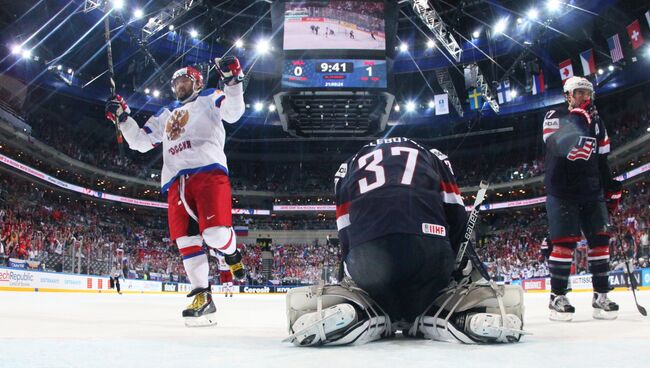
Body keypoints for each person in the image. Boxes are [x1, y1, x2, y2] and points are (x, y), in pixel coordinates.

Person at [285, 137, 524, 346]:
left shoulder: (346, 166)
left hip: (370, 260)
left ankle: (365, 311)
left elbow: (345, 234)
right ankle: (448, 312)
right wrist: (471, 273)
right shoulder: (433, 155)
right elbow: (457, 217)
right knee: (445, 273)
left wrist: (350, 278)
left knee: (367, 282)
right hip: (428, 252)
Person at [105, 57, 246, 327]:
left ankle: (231, 254)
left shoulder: (210, 97)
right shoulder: (165, 113)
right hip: (175, 181)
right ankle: (202, 297)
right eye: (176, 82)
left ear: (197, 82)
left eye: (185, 80)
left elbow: (234, 112)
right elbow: (140, 142)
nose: (180, 85)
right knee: (187, 242)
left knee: (215, 234)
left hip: (208, 171)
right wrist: (123, 118)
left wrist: (232, 81)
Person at [542, 76, 621, 321]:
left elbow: (601, 159)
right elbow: (559, 145)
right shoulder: (553, 115)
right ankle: (557, 297)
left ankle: (601, 295)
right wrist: (578, 118)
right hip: (562, 191)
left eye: (588, 94)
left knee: (600, 241)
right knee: (564, 243)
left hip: (592, 190)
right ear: (568, 95)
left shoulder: (597, 123)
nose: (585, 98)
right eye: (579, 93)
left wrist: (610, 188)